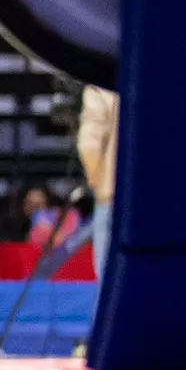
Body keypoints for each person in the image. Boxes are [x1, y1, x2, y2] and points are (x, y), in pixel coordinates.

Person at [77, 86, 119, 283]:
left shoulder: (100, 86)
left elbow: (89, 145)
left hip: (112, 198)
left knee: (109, 284)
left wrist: (102, 188)